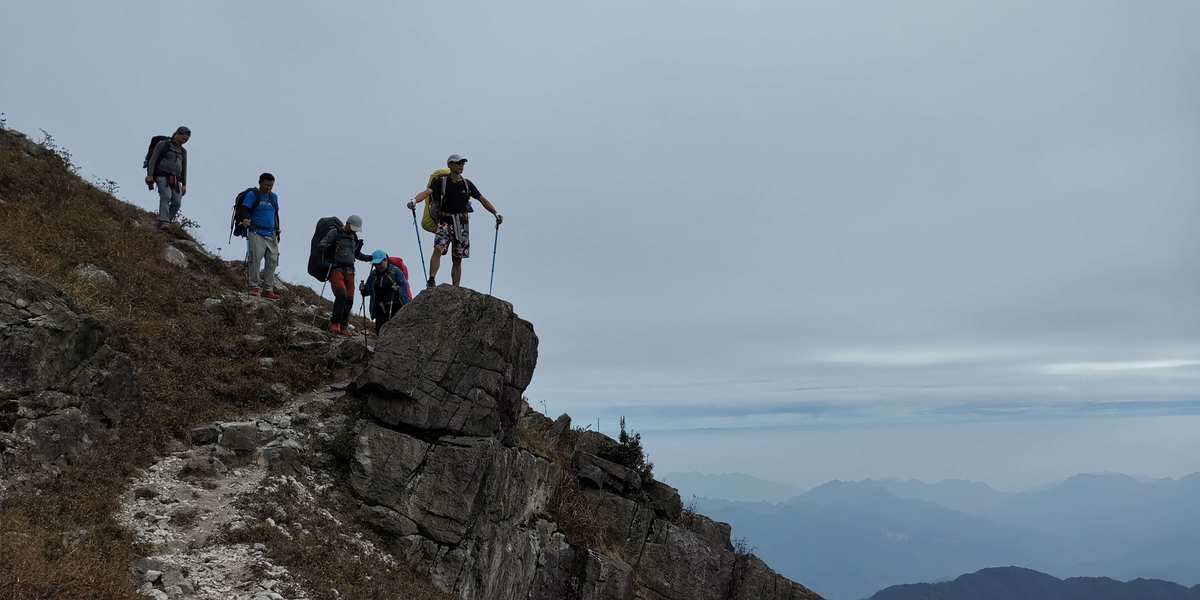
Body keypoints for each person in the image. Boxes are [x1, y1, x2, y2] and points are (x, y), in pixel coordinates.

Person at [407, 154, 502, 288]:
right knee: (438, 248)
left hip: (462, 223)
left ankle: (455, 288)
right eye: (458, 163)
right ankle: (431, 279)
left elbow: (482, 199)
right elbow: (427, 192)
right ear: (450, 165)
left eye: (462, 164)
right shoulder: (441, 182)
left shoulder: (467, 184)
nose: (461, 166)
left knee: (457, 258)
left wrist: (495, 212)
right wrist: (414, 200)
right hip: (445, 220)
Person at [318, 215, 370, 335]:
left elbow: (356, 254)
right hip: (336, 269)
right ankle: (335, 324)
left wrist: (369, 258)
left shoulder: (354, 237)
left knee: (349, 299)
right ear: (347, 224)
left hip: (350, 271)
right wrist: (331, 250)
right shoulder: (335, 233)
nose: (353, 231)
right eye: (352, 228)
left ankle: (344, 326)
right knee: (341, 295)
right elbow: (322, 245)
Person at [236, 173, 281, 300]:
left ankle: (268, 289)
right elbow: (244, 209)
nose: (268, 188)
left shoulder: (274, 197)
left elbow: (275, 215)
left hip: (271, 233)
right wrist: (245, 219)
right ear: (260, 183)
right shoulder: (253, 195)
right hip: (256, 232)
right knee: (255, 260)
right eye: (266, 185)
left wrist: (277, 230)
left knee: (272, 261)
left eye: (271, 185)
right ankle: (253, 286)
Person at [145, 126, 190, 229]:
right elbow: (153, 160)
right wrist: (150, 175)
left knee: (177, 202)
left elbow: (184, 168)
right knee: (166, 195)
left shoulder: (183, 151)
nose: (185, 141)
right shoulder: (163, 144)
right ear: (177, 134)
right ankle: (164, 222)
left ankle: (166, 221)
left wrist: (184, 184)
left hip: (176, 179)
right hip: (162, 175)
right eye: (184, 138)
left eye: (187, 139)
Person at [360, 250, 411, 333]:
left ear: (386, 260)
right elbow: (367, 291)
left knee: (396, 329)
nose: (378, 266)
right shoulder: (373, 275)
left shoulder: (395, 271)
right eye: (376, 264)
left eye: (380, 263)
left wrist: (398, 289)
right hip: (379, 308)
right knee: (380, 330)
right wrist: (363, 289)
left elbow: (404, 286)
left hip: (396, 305)